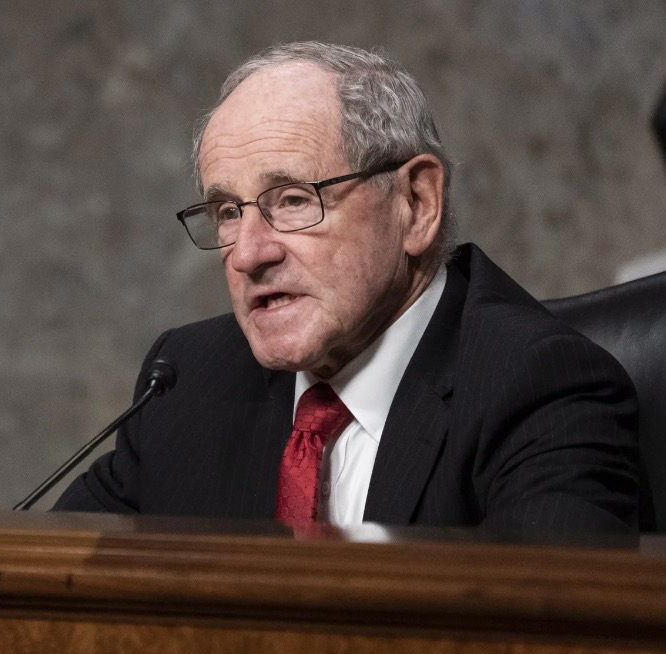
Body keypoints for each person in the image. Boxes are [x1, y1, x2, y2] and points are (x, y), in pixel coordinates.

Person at [53, 41, 641, 533]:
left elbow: (543, 620)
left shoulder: (540, 389)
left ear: (416, 204)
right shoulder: (187, 382)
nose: (249, 253)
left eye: (293, 200)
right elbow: (52, 586)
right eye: (228, 211)